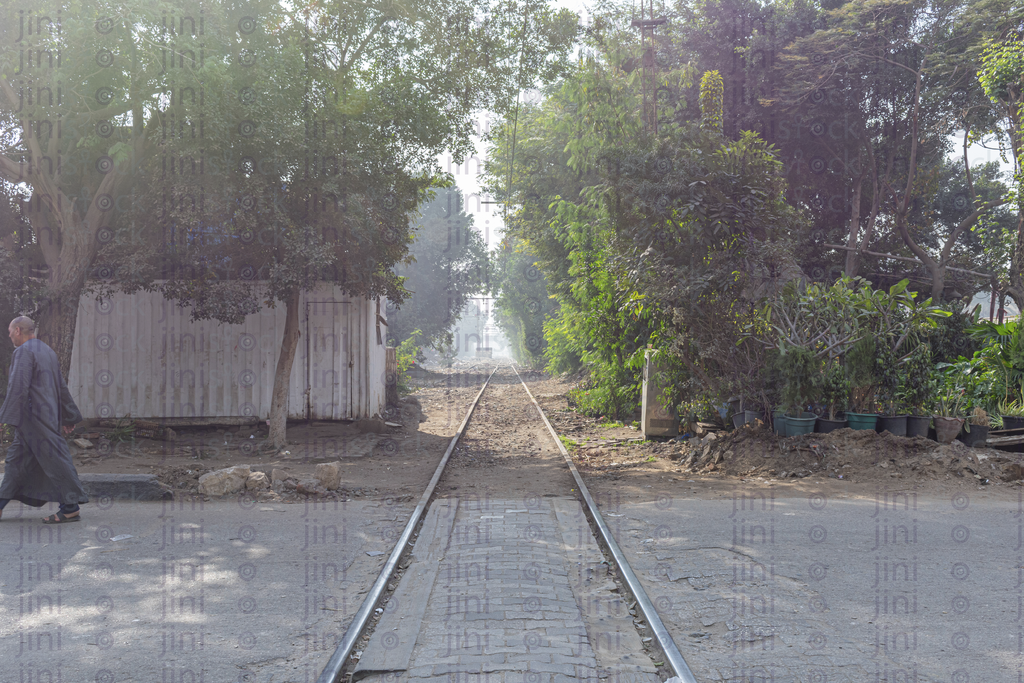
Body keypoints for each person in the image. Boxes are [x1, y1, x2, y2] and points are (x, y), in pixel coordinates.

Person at [0, 316, 89, 523]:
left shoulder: (23, 352)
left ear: (19, 330)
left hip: (34, 418)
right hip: (41, 417)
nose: (10, 336)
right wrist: (68, 416)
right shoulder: (46, 351)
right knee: (16, 461)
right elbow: (61, 386)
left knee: (55, 459)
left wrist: (5, 419)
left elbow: (17, 388)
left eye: (10, 332)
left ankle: (70, 506)